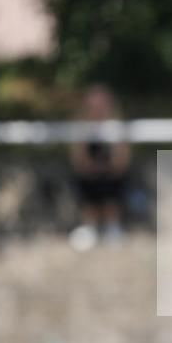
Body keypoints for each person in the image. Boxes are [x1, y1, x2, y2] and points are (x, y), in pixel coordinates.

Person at [68, 85, 130, 251]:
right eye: (93, 106)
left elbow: (121, 161)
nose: (97, 110)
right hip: (89, 175)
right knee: (86, 183)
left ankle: (112, 226)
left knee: (112, 183)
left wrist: (106, 168)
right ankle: (90, 227)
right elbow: (78, 159)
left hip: (111, 174)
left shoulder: (115, 127)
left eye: (101, 106)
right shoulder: (81, 127)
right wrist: (91, 167)